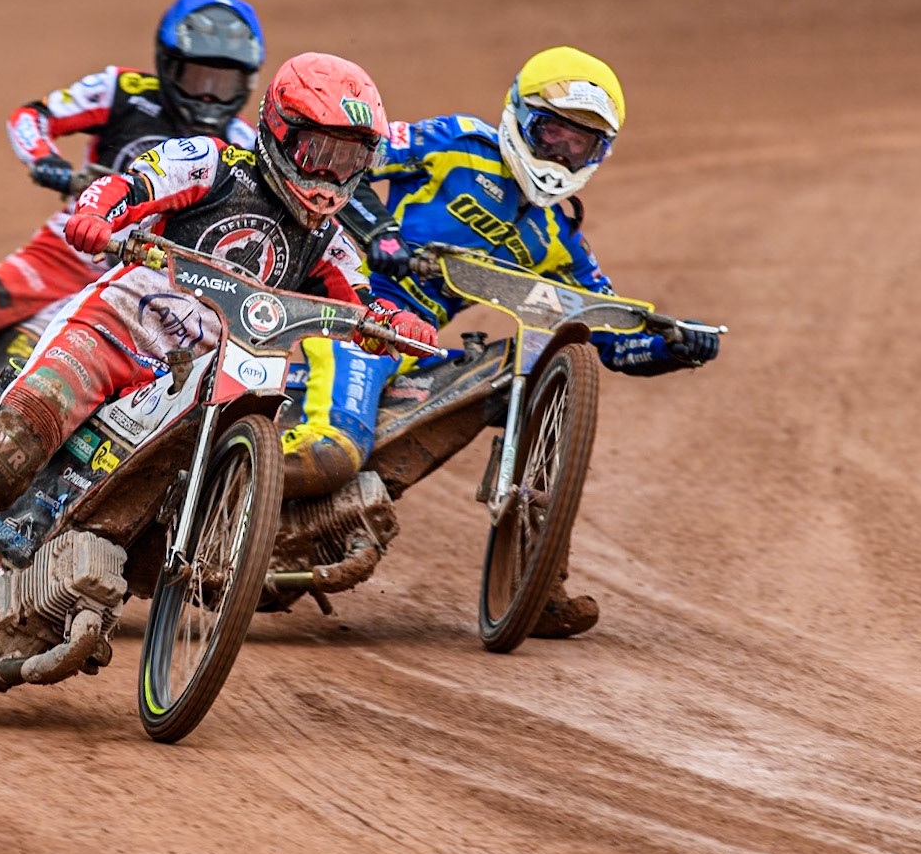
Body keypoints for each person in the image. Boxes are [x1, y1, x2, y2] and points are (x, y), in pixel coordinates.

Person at [0, 53, 438, 664]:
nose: (330, 176)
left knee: (169, 515)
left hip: (194, 383)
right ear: (279, 132)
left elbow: (364, 303)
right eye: (319, 154)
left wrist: (392, 324)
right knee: (6, 455)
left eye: (350, 160)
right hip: (112, 333)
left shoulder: (331, 243)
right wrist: (97, 216)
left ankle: (65, 594)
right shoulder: (213, 165)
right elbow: (130, 183)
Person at [288, 45, 722, 636]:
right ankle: (246, 494)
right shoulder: (456, 143)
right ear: (518, 116)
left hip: (420, 342)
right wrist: (381, 232)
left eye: (581, 144)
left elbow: (611, 335)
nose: (562, 153)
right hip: (351, 307)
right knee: (332, 448)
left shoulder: (557, 234)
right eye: (552, 133)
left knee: (544, 363)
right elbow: (351, 159)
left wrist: (674, 345)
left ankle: (537, 580)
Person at [0, 0, 267, 342]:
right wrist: (45, 160)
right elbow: (32, 116)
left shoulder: (246, 147)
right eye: (197, 77)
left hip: (152, 282)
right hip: (70, 247)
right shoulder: (124, 90)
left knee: (34, 350)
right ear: (169, 65)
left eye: (225, 83)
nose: (209, 94)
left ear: (246, 82)